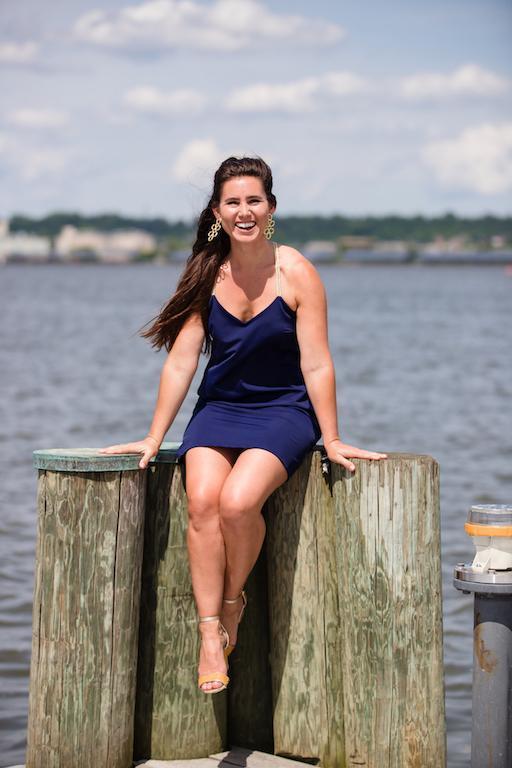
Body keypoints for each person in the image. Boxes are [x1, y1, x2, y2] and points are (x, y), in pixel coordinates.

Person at [99, 155, 387, 695]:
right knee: (203, 498)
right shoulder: (206, 273)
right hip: (220, 409)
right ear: (217, 212)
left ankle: (233, 603)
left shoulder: (296, 271)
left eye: (254, 200)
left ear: (271, 208)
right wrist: (153, 437)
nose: (244, 211)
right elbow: (182, 361)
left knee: (237, 502)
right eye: (233, 202)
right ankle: (211, 633)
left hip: (284, 411)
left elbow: (317, 363)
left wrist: (332, 438)